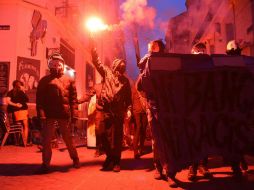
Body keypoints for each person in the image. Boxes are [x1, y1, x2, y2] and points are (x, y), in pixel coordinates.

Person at [137, 39, 178, 188]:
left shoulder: (168, 64)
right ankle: (158, 168)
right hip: (153, 108)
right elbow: (139, 87)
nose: (151, 49)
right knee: (156, 140)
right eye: (150, 47)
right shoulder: (146, 64)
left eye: (154, 46)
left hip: (167, 109)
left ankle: (170, 172)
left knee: (167, 139)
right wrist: (146, 102)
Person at [36, 52, 80, 173]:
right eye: (54, 64)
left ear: (62, 65)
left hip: (63, 114)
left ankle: (75, 158)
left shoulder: (69, 80)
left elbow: (73, 100)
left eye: (59, 64)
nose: (56, 66)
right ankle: (45, 164)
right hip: (49, 115)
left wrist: (74, 115)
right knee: (46, 140)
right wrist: (42, 114)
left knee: (68, 139)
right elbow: (40, 100)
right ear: (50, 65)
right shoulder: (44, 81)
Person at [91, 45, 132, 172]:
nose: (121, 69)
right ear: (114, 66)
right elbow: (97, 63)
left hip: (119, 112)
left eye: (123, 68)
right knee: (102, 134)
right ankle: (109, 156)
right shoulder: (107, 72)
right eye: (120, 67)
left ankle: (116, 162)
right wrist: (93, 47)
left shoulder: (125, 81)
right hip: (106, 110)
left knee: (117, 138)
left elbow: (128, 97)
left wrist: (129, 109)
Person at [188, 42, 213, 181]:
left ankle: (203, 165)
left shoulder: (209, 68)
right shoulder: (188, 69)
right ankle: (193, 167)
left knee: (204, 138)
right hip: (192, 110)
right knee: (193, 138)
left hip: (205, 109)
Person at [6, 80, 29, 146]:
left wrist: (15, 105)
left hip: (15, 112)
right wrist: (23, 91)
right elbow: (27, 99)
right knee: (25, 126)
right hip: (22, 111)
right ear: (19, 86)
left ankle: (17, 142)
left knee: (18, 126)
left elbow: (8, 101)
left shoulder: (10, 92)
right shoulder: (21, 92)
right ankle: (24, 142)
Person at [132, 81, 148, 159]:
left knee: (142, 129)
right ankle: (136, 151)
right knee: (139, 129)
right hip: (138, 111)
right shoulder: (136, 89)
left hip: (142, 111)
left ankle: (140, 149)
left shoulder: (144, 89)